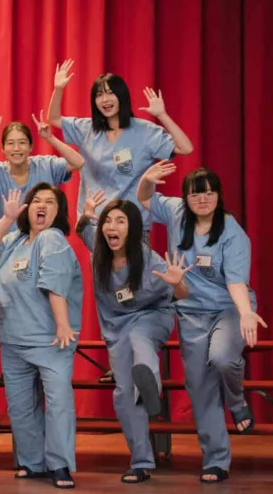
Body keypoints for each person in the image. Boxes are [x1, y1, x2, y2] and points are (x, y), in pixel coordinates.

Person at [46, 60, 193, 384]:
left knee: (137, 289)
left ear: (122, 97)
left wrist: (162, 115)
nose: (105, 99)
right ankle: (120, 358)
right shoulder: (88, 129)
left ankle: (141, 351)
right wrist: (58, 88)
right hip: (96, 228)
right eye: (99, 94)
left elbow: (185, 147)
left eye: (110, 92)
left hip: (134, 227)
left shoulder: (144, 131)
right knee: (107, 293)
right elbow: (53, 120)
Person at [139, 161, 266, 484]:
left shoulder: (232, 232)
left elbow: (236, 281)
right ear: (186, 198)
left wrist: (245, 312)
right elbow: (144, 198)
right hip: (190, 312)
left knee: (222, 358)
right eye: (196, 194)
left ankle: (236, 401)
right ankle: (216, 460)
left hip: (228, 308)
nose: (203, 199)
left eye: (209, 193)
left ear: (219, 196)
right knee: (199, 386)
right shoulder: (176, 213)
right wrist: (146, 179)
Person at [77, 191, 190, 483]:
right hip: (117, 327)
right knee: (124, 394)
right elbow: (81, 230)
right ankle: (141, 462)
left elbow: (182, 294)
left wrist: (178, 283)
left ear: (133, 228)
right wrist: (86, 214)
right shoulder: (99, 248)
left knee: (140, 341)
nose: (111, 227)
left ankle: (151, 387)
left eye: (120, 221)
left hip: (153, 316)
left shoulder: (149, 259)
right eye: (108, 221)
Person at [0, 185, 83, 489]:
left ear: (59, 212)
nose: (42, 206)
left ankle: (59, 465)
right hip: (13, 338)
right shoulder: (16, 240)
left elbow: (54, 283)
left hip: (50, 339)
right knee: (21, 407)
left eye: (50, 202)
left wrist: (62, 324)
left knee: (58, 402)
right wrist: (8, 218)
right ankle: (33, 462)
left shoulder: (52, 239)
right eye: (36, 201)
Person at [0, 114, 83, 220]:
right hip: (8, 239)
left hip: (44, 238)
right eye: (10, 143)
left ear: (30, 147)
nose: (16, 148)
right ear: (3, 149)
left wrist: (49, 137)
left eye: (22, 142)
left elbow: (78, 162)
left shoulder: (46, 165)